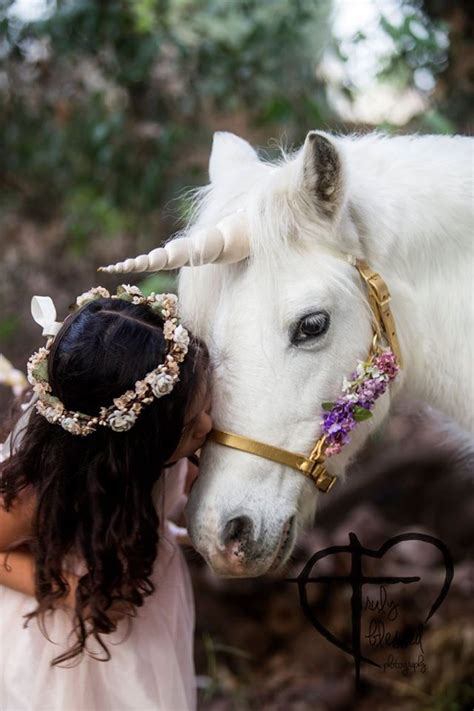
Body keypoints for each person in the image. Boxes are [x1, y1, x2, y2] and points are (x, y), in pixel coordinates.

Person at [0, 285, 212, 711]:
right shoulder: (38, 494)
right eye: (190, 428)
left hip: (146, 624)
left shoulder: (167, 438)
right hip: (59, 646)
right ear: (133, 451)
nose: (207, 425)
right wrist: (69, 590)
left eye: (206, 405)